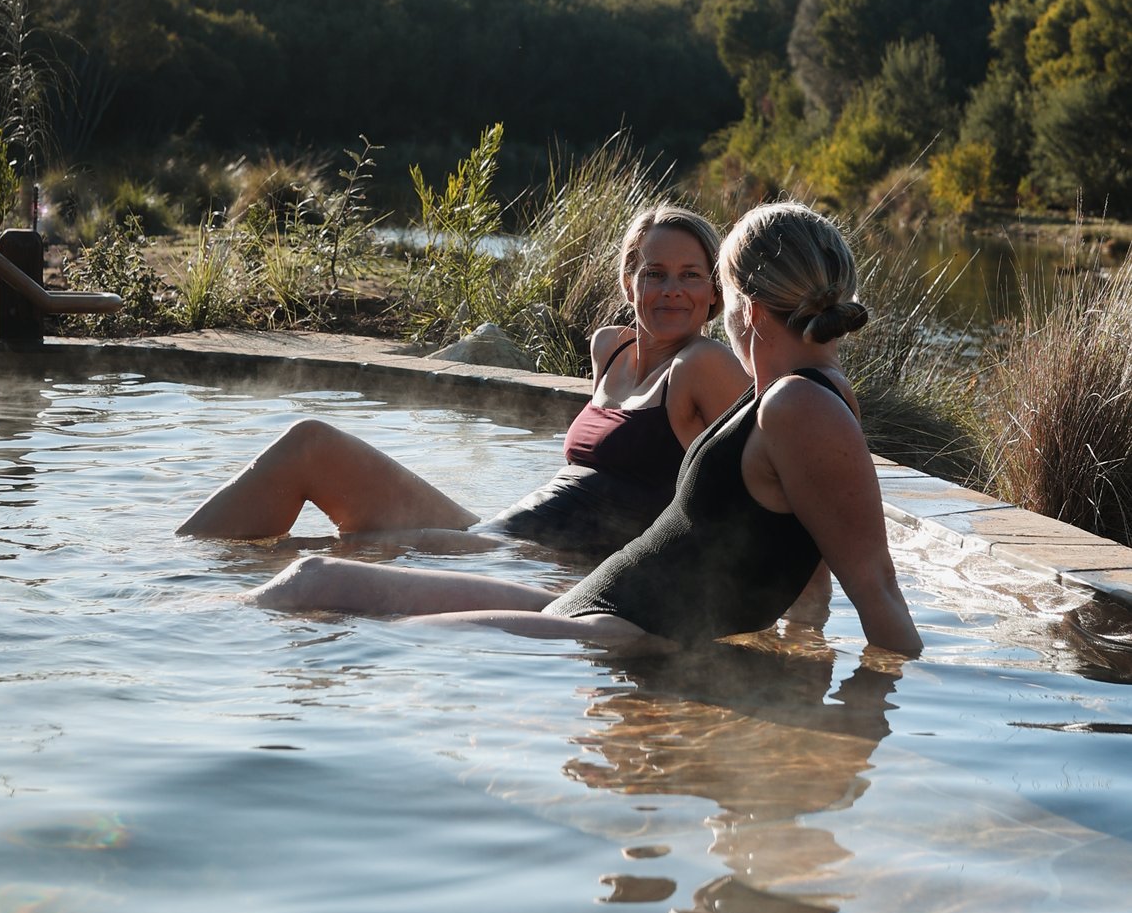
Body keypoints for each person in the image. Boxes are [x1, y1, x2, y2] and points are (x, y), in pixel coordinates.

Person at [243, 201, 922, 660]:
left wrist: (886, 730)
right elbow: (804, 544)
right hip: (595, 599)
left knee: (316, 596)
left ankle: (150, 647)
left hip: (622, 627)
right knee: (310, 579)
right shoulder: (791, 397)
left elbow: (874, 585)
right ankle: (151, 624)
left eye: (709, 282)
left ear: (743, 303)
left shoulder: (800, 405)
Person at [178, 205, 747, 556]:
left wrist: (799, 612)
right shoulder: (612, 347)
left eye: (692, 276)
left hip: (537, 566)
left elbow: (776, 481)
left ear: (715, 293)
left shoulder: (702, 365)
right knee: (309, 445)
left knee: (330, 563)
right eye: (656, 273)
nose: (673, 289)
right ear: (629, 283)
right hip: (498, 536)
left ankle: (181, 598)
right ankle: (179, 568)